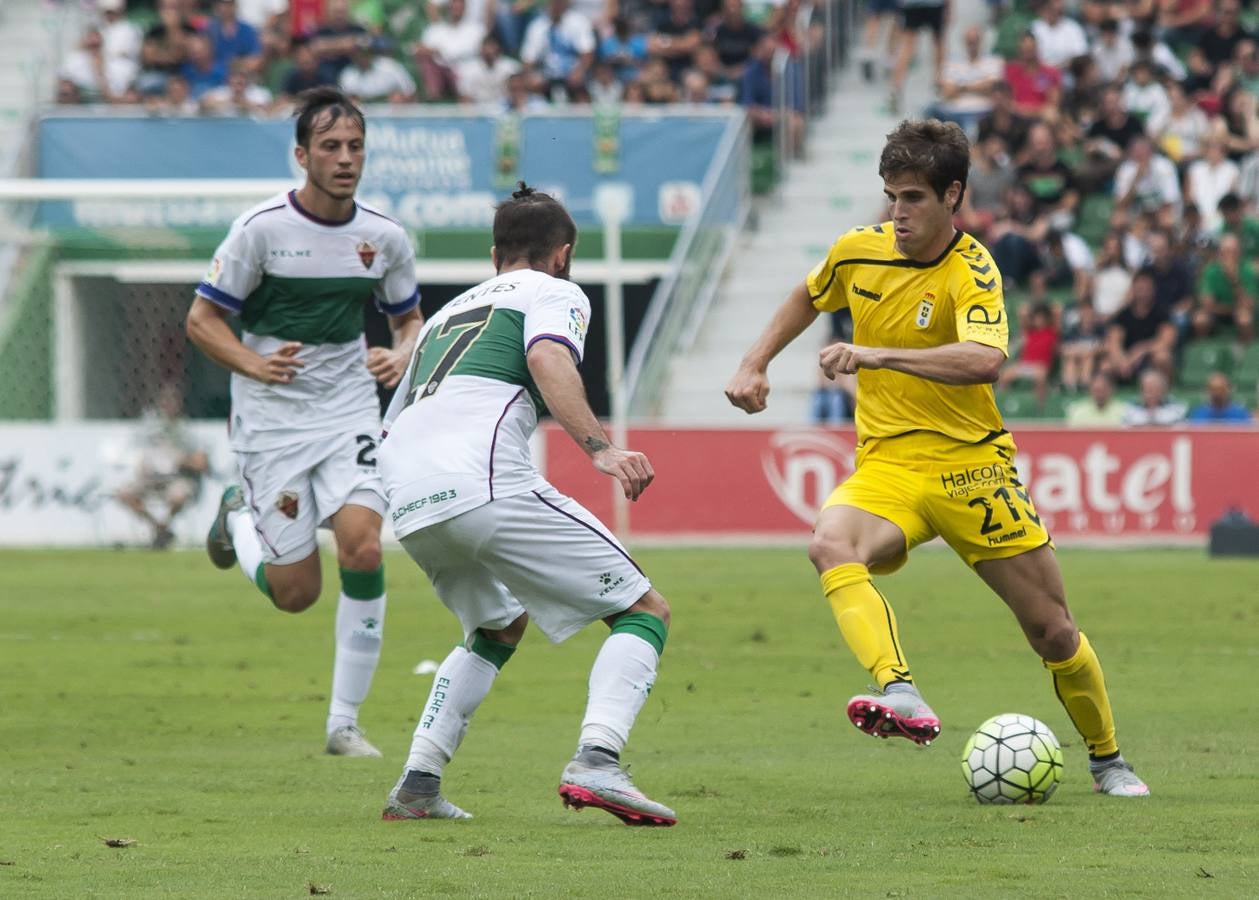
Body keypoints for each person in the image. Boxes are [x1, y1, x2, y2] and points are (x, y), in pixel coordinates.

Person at [724, 119, 1150, 798]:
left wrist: (874, 354)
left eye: (914, 197)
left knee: (1051, 629)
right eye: (892, 195)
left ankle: (1107, 759)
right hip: (889, 466)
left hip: (972, 469)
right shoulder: (856, 253)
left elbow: (983, 361)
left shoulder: (972, 270)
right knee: (830, 544)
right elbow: (809, 292)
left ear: (953, 194)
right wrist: (753, 361)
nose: (897, 212)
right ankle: (898, 692)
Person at [376, 183, 676, 826]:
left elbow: (393, 420)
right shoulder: (553, 290)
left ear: (494, 255)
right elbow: (546, 355)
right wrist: (599, 448)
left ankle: (417, 785)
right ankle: (598, 761)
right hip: (480, 482)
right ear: (562, 253)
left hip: (408, 498)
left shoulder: (438, 319)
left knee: (495, 627)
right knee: (643, 609)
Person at [186, 88, 423, 759]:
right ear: (301, 155)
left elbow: (409, 318)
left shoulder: (383, 236)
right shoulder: (259, 231)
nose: (345, 159)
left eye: (354, 147)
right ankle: (238, 517)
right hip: (271, 420)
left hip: (348, 406)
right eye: (330, 147)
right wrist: (252, 366)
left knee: (364, 546)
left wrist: (400, 352)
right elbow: (201, 322)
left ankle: (343, 724)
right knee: (296, 595)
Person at [115, 383, 210, 549]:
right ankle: (159, 528)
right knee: (123, 493)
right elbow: (132, 452)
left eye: (173, 402)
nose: (169, 406)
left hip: (177, 478)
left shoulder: (187, 432)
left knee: (178, 495)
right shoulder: (150, 429)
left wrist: (182, 460)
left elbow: (202, 464)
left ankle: (163, 528)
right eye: (165, 402)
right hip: (151, 478)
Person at [1121, 369, 1186, 425]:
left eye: (1156, 389)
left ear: (1164, 391)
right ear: (1141, 391)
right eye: (1148, 389)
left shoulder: (1176, 408)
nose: (1152, 393)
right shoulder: (1130, 408)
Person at [1187, 372, 1254, 423]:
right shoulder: (1199, 415)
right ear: (1207, 391)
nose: (1217, 394)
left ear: (1227, 390)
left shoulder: (1240, 415)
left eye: (1220, 389)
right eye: (1213, 390)